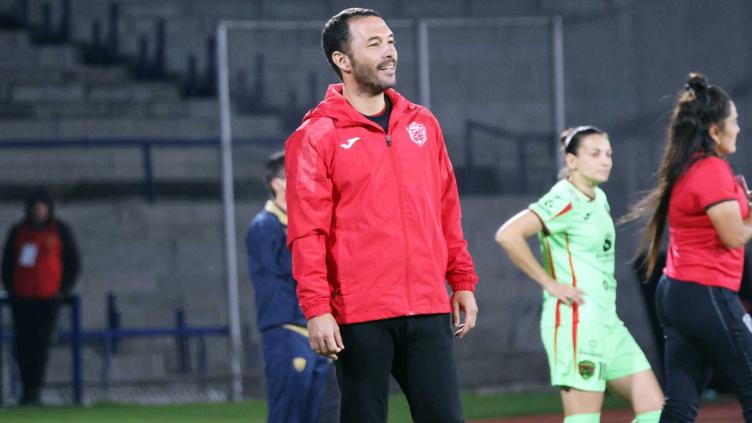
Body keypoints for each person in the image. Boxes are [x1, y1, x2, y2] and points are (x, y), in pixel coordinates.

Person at [284, 8, 479, 422]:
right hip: (359, 313)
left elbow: (446, 209)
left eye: (390, 41)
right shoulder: (316, 136)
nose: (389, 52)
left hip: (427, 305)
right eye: (374, 44)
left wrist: (461, 279)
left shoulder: (423, 124)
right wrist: (317, 309)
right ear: (342, 60)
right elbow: (307, 233)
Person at [495, 126, 663, 423]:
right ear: (571, 161)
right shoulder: (564, 197)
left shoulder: (598, 197)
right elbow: (508, 235)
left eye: (608, 153)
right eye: (595, 154)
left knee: (656, 411)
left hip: (607, 322)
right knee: (583, 419)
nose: (605, 160)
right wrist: (549, 283)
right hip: (577, 323)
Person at [625, 73, 752, 422]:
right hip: (705, 291)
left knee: (680, 405)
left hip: (678, 293)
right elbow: (734, 236)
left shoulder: (688, 166)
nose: (738, 128)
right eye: (734, 122)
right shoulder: (711, 169)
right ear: (715, 131)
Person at [245, 151, 339, 423]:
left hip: (315, 330)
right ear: (277, 183)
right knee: (288, 412)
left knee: (320, 413)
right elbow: (294, 266)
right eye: (296, 176)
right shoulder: (264, 226)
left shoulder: (303, 225)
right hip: (287, 330)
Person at [1, 191, 80, 406]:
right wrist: (12, 289)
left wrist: (62, 288)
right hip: (22, 297)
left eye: (42, 207)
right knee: (22, 343)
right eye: (35, 207)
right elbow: (7, 263)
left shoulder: (59, 230)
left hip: (47, 297)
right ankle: (26, 389)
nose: (39, 211)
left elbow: (72, 262)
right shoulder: (18, 231)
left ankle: (35, 389)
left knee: (40, 343)